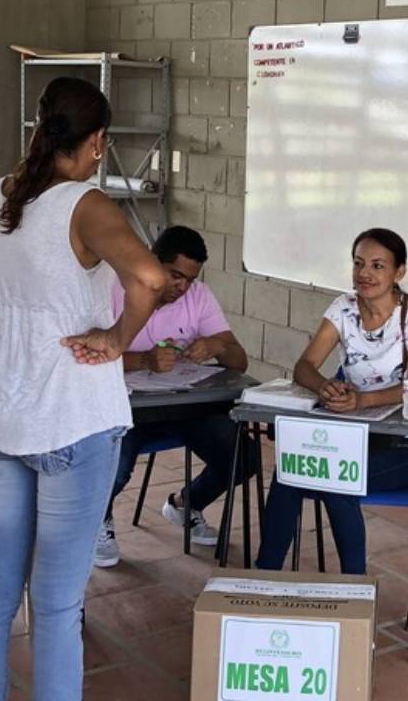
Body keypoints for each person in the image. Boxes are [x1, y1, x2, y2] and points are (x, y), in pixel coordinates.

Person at [0, 76, 165, 701]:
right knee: (54, 604)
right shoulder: (86, 204)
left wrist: (8, 371)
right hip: (73, 416)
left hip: (1, 416)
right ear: (98, 140)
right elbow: (152, 278)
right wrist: (115, 336)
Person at [255, 228, 408, 575]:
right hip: (350, 437)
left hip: (405, 445)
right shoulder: (343, 307)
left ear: (399, 272)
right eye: (358, 264)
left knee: (335, 480)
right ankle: (265, 576)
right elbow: (303, 367)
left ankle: (353, 589)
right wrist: (325, 386)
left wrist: (362, 400)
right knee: (290, 472)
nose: (364, 274)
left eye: (378, 266)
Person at [95, 224, 256, 567]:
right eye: (174, 275)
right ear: (151, 261)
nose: (181, 287)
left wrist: (216, 344)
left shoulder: (198, 296)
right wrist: (144, 361)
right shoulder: (112, 288)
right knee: (115, 468)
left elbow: (239, 361)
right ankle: (96, 520)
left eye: (189, 279)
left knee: (243, 457)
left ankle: (186, 504)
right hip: (124, 406)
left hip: (181, 406)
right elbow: (86, 356)